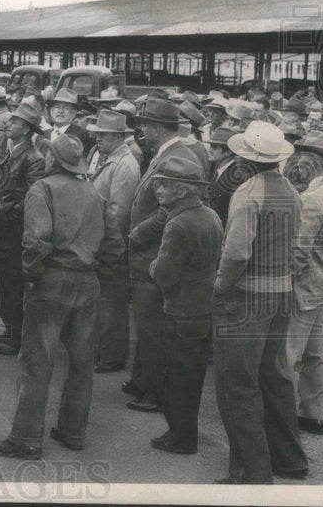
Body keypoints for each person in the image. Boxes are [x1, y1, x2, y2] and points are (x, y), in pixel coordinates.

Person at [0, 135, 123, 460]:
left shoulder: (42, 189)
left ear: (52, 160)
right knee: (81, 361)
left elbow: (35, 239)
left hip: (51, 280)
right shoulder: (94, 193)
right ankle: (73, 431)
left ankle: (26, 437)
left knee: (37, 361)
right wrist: (91, 265)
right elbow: (115, 245)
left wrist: (32, 275)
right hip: (87, 283)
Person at [213, 122, 307, 484]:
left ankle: (251, 472)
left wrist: (221, 287)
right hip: (281, 292)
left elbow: (236, 253)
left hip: (249, 296)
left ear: (245, 159)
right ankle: (289, 459)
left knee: (237, 383)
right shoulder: (291, 191)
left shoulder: (248, 193)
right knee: (275, 376)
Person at [139, 156, 222, 455]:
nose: (159, 189)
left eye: (167, 185)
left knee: (177, 377)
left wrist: (151, 266)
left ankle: (182, 436)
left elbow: (164, 274)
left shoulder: (178, 223)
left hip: (181, 310)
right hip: (203, 308)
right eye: (160, 182)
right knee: (192, 375)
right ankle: (183, 433)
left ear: (183, 191)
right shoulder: (210, 215)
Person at [123, 98, 199, 413]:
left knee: (153, 327)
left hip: (153, 254)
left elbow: (170, 210)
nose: (140, 131)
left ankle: (154, 391)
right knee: (146, 324)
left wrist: (139, 233)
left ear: (156, 127)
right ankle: (143, 379)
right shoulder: (167, 154)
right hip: (149, 254)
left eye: (143, 125)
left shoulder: (177, 156)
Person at [283, 130, 323, 437]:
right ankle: (312, 413)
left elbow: (299, 252)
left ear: (314, 162)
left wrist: (287, 281)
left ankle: (282, 415)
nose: (298, 163)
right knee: (318, 352)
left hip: (303, 289)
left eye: (303, 157)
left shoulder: (310, 199)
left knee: (289, 353)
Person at [87, 109, 141, 374]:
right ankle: (105, 350)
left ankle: (112, 355)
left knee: (112, 301)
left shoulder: (124, 165)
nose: (98, 139)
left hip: (111, 245)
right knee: (105, 299)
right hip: (104, 242)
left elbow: (120, 212)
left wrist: (107, 246)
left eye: (104, 135)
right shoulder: (111, 159)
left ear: (119, 136)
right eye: (97, 134)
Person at [0, 100, 47, 356]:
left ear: (26, 129)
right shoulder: (14, 150)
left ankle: (17, 336)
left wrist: (5, 213)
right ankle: (10, 327)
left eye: (14, 121)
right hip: (6, 228)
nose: (8, 124)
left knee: (14, 281)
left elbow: (30, 198)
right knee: (6, 280)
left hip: (15, 231)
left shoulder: (33, 158)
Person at [206, 126, 255, 226]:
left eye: (215, 147)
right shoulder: (216, 168)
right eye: (211, 146)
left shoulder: (236, 177)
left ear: (228, 152)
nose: (210, 150)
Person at [45, 88, 93, 154]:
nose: (60, 111)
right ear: (51, 111)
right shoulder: (43, 134)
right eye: (57, 106)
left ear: (73, 113)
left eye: (66, 107)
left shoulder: (82, 135)